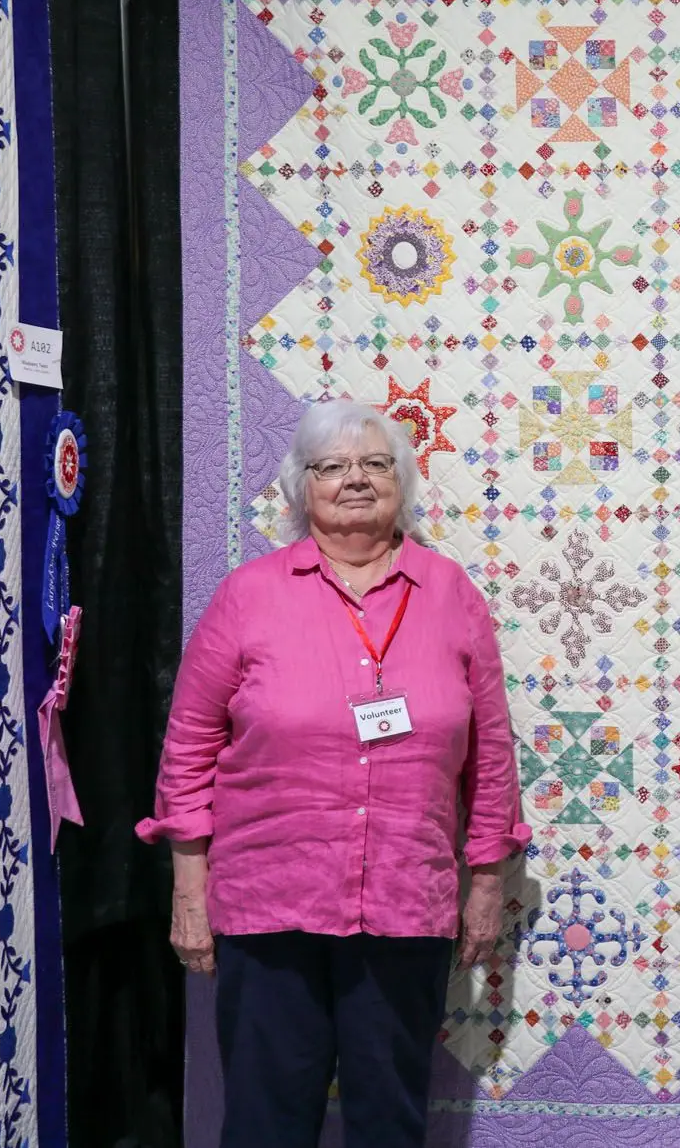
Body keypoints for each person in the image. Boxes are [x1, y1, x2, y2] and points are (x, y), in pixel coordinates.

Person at [138, 399, 528, 1148]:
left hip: (405, 904)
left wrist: (485, 885)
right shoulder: (249, 595)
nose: (355, 479)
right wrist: (189, 892)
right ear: (301, 487)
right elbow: (186, 748)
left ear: (401, 482)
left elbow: (491, 755)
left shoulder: (451, 594)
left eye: (375, 463)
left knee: (390, 1124)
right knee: (265, 1126)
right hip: (268, 904)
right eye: (332, 466)